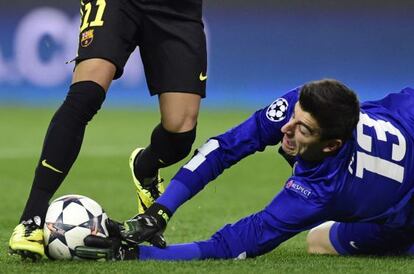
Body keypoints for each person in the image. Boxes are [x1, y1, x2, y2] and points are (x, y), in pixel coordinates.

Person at [74, 78, 414, 261]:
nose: (287, 129)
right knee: (316, 242)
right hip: (405, 128)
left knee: (320, 238)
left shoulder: (319, 191)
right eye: (294, 116)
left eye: (303, 130)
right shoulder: (306, 106)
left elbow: (233, 243)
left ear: (331, 146)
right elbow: (225, 147)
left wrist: (136, 255)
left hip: (401, 218)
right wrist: (160, 211)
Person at [9, 0, 207, 260]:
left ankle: (145, 167)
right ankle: (30, 221)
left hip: (177, 9)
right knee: (85, 95)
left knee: (180, 132)